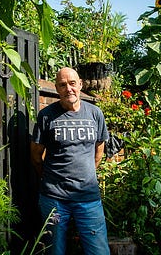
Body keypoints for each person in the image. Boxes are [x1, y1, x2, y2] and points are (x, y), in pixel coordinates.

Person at [30, 67, 110, 255]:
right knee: (54, 250)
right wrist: (50, 180)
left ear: (80, 85)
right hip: (54, 199)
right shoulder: (46, 115)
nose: (69, 89)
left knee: (98, 250)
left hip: (88, 197)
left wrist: (87, 173)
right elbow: (35, 155)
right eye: (63, 85)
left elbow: (99, 149)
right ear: (57, 89)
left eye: (72, 83)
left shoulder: (95, 113)